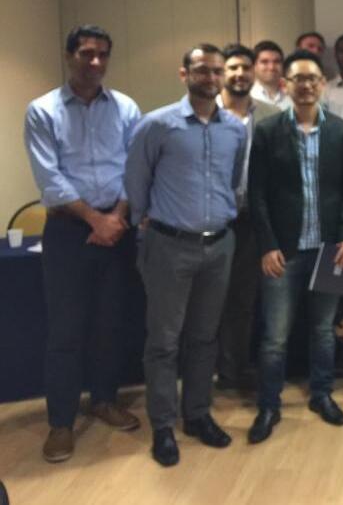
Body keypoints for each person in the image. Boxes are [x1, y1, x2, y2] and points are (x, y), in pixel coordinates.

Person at [24, 25, 142, 463]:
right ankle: (60, 422)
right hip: (70, 231)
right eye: (87, 54)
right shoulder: (43, 110)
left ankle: (105, 399)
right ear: (69, 55)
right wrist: (96, 219)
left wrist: (118, 217)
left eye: (102, 55)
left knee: (111, 322)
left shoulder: (126, 107)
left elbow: (136, 164)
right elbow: (49, 177)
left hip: (117, 223)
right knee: (66, 332)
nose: (95, 62)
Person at [125, 44, 247, 467]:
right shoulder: (156, 125)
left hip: (219, 245)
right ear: (185, 74)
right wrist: (145, 222)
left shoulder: (235, 128)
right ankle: (162, 426)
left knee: (204, 337)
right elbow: (136, 181)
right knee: (163, 341)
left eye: (217, 70)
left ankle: (197, 415)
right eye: (202, 70)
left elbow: (233, 180)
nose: (211, 77)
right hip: (168, 245)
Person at [246, 49, 343, 443]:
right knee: (275, 336)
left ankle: (322, 394)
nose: (307, 85)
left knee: (324, 330)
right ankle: (269, 405)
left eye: (313, 78)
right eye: (298, 79)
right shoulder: (267, 131)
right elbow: (256, 194)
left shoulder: (340, 131)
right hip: (285, 252)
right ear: (285, 86)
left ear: (322, 84)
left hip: (333, 250)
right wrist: (266, 245)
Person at [215, 44, 281, 393]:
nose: (239, 74)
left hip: (257, 218)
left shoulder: (271, 114)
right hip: (216, 218)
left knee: (248, 298)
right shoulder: (209, 113)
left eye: (245, 68)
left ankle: (238, 371)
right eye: (233, 68)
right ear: (223, 73)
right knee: (215, 301)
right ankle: (221, 372)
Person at [249, 40, 291, 110]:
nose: (272, 67)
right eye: (264, 62)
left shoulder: (293, 97)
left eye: (277, 62)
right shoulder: (248, 97)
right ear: (254, 65)